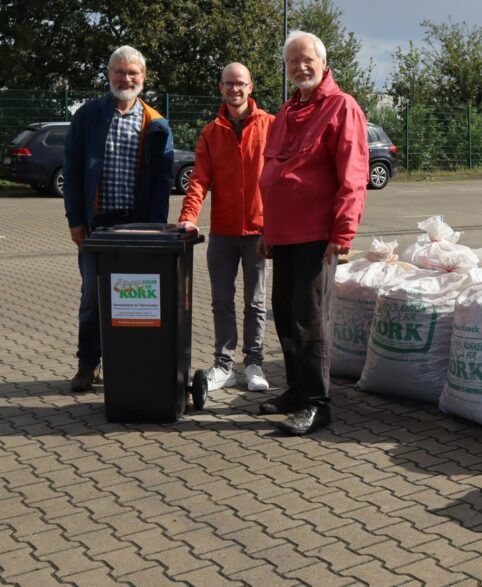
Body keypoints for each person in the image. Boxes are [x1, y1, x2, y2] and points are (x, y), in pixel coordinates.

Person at [257, 30, 369, 436]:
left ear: (324, 64)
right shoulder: (287, 112)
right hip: (282, 234)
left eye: (307, 61)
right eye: (292, 62)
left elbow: (353, 175)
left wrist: (343, 232)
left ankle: (317, 404)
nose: (300, 67)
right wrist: (267, 230)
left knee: (310, 320)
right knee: (285, 315)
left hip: (316, 236)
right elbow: (273, 174)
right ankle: (295, 390)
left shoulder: (342, 107)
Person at [64, 45, 174, 392]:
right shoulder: (88, 116)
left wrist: (156, 228)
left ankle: (130, 362)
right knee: (92, 298)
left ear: (143, 78)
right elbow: (73, 168)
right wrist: (76, 219)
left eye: (133, 73)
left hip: (137, 228)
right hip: (97, 227)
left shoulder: (155, 123)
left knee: (137, 299)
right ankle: (88, 364)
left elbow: (162, 183)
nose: (126, 78)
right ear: (108, 74)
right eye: (119, 71)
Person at [177, 63, 274, 393]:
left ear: (251, 87)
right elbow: (199, 180)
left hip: (259, 232)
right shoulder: (211, 131)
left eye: (240, 83)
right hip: (223, 232)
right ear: (220, 88)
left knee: (256, 303)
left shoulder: (271, 126)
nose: (235, 88)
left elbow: (281, 178)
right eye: (229, 83)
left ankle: (254, 364)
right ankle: (224, 366)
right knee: (221, 301)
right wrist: (189, 217)